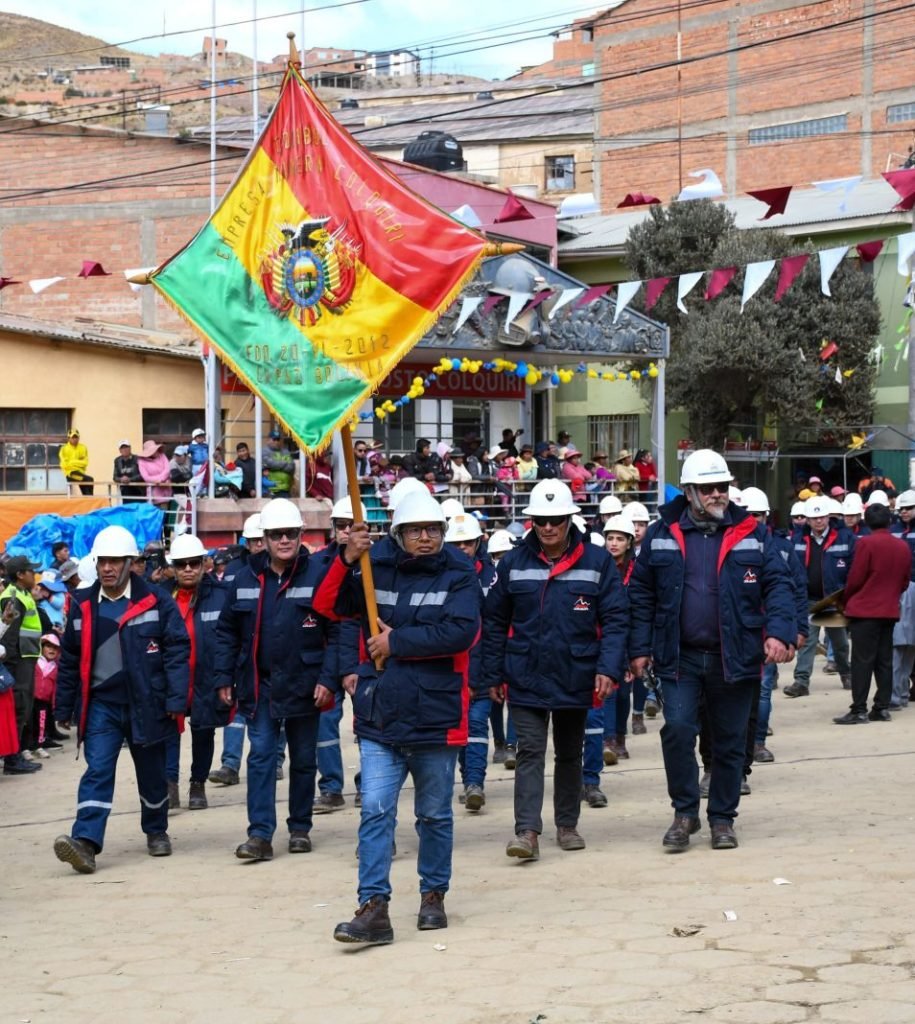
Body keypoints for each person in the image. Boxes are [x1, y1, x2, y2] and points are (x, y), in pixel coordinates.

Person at [314, 489, 480, 945]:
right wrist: (347, 559)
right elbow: (328, 605)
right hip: (381, 714)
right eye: (415, 531)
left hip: (436, 714)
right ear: (398, 533)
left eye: (433, 530)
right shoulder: (372, 564)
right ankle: (373, 906)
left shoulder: (461, 573)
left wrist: (397, 642)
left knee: (434, 816)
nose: (425, 538)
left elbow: (462, 632)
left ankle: (433, 895)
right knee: (376, 812)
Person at [628, 449, 794, 852]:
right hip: (679, 655)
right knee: (678, 730)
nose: (719, 494)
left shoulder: (753, 533)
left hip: (734, 654)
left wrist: (779, 632)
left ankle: (722, 818)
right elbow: (641, 594)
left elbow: (779, 585)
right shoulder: (661, 533)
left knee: (730, 740)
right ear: (689, 492)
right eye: (709, 488)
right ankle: (685, 814)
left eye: (723, 486)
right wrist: (639, 647)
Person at [483, 479, 628, 862]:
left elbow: (615, 619)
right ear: (531, 522)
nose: (548, 528)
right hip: (525, 673)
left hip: (575, 673)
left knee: (568, 752)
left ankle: (567, 824)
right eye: (541, 521)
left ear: (570, 520)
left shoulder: (597, 562)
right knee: (530, 749)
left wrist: (608, 668)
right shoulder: (513, 563)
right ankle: (526, 831)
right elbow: (494, 621)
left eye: (556, 520)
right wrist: (493, 674)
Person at [52, 525, 190, 874]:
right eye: (102, 562)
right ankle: (85, 842)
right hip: (102, 706)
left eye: (115, 561)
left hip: (148, 703)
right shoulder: (82, 605)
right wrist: (64, 706)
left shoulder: (157, 600)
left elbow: (177, 650)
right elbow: (69, 658)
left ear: (131, 563)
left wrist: (176, 700)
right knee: (97, 769)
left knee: (152, 773)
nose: (107, 568)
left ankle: (156, 830)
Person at [214, 498, 337, 862]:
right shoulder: (242, 578)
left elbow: (338, 632)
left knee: (302, 758)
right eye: (276, 534)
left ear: (300, 535)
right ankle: (260, 835)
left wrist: (328, 678)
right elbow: (226, 632)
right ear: (263, 539)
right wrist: (224, 676)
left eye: (291, 533)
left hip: (306, 684)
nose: (284, 540)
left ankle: (300, 828)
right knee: (261, 757)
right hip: (261, 685)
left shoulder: (318, 575)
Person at [160, 533, 230, 810]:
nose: (187, 569)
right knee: (168, 732)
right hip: (172, 678)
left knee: (204, 732)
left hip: (206, 678)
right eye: (181, 564)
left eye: (193, 563)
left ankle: (198, 783)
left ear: (204, 564)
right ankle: (169, 785)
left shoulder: (222, 596)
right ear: (172, 567)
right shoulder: (160, 597)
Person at [833, 503, 910, 725]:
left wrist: (846, 598)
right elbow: (904, 581)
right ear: (889, 521)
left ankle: (859, 709)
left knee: (861, 661)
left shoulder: (865, 543)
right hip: (888, 610)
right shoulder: (902, 546)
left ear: (866, 521)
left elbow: (856, 577)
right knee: (884, 660)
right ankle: (882, 707)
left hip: (865, 610)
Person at [313, 496, 366, 815]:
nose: (347, 532)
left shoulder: (375, 563)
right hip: (327, 655)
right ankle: (331, 787)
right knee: (324, 724)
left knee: (367, 725)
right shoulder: (319, 564)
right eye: (341, 526)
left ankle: (367, 784)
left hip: (363, 654)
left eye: (352, 526)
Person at [209, 514, 265, 787]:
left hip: (270, 655)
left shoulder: (282, 569)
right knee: (236, 712)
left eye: (260, 540)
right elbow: (228, 617)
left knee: (271, 718)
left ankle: (273, 760)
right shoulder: (235, 570)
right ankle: (229, 764)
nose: (258, 546)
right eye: (253, 541)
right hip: (243, 653)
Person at [444, 513, 496, 812]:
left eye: (467, 543)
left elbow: (495, 630)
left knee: (477, 726)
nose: (462, 548)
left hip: (482, 669)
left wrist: (487, 676)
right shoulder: (439, 579)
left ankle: (474, 783)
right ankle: (463, 778)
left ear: (478, 542)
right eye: (456, 543)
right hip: (449, 673)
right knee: (454, 731)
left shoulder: (492, 579)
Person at [783, 495, 856, 697]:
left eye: (822, 517)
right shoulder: (797, 539)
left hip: (833, 599)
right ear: (807, 519)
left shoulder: (844, 537)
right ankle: (801, 681)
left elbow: (852, 566)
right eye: (814, 518)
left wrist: (847, 592)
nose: (818, 521)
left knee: (840, 643)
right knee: (806, 642)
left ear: (828, 517)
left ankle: (846, 673)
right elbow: (790, 567)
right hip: (807, 598)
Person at [0, 555, 46, 774]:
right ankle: (12, 758)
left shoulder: (23, 594)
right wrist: (11, 666)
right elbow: (9, 636)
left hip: (26, 658)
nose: (34, 575)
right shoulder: (12, 598)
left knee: (24, 706)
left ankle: (15, 754)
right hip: (18, 663)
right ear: (20, 575)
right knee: (19, 707)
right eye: (30, 571)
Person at [891, 488, 915, 710]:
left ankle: (903, 692)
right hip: (902, 588)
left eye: (909, 508)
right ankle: (897, 695)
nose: (904, 512)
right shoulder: (894, 530)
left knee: (911, 644)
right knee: (900, 642)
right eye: (902, 509)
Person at [59, 429, 94, 495]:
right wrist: (78, 463)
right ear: (69, 438)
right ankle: (90, 500)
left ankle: (88, 500)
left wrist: (71, 462)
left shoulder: (83, 447)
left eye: (76, 437)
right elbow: (64, 465)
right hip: (70, 473)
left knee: (87, 483)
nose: (75, 439)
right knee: (89, 479)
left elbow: (85, 463)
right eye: (73, 437)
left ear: (79, 438)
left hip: (81, 473)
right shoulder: (64, 449)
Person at [264, 430, 295, 496]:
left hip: (285, 489)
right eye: (274, 439)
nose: (276, 442)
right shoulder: (264, 451)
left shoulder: (285, 451)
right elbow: (271, 464)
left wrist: (276, 466)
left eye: (278, 439)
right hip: (270, 490)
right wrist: (285, 463)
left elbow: (291, 467)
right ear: (268, 439)